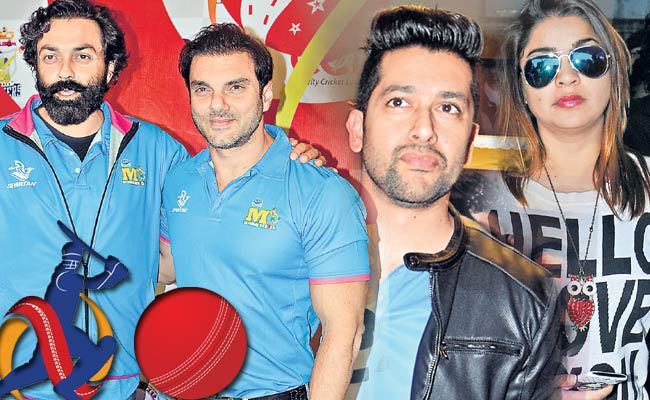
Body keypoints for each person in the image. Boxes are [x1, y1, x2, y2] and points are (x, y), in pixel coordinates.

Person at [0, 1, 323, 399]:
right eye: (51, 56)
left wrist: (292, 159)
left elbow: (189, 246)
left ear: (110, 67)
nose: (65, 71)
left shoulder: (160, 152)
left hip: (122, 386)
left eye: (83, 56)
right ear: (34, 64)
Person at [344, 5, 562, 399]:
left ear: (470, 140)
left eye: (448, 108)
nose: (424, 129)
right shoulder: (280, 256)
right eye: (399, 102)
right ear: (357, 128)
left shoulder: (524, 300)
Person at [159, 23, 369, 400]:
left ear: (266, 93)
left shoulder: (322, 192)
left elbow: (344, 334)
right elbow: (169, 266)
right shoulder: (179, 179)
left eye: (235, 87)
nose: (217, 105)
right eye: (202, 89)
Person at [469, 0, 650, 398]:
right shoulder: (480, 203)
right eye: (542, 66)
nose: (566, 77)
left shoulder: (647, 187)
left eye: (587, 59)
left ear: (614, 72)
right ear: (521, 88)